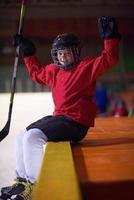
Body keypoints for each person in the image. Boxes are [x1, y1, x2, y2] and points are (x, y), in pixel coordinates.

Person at [0, 16, 120, 200]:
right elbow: (38, 74)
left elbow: (109, 59)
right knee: (21, 135)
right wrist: (29, 53)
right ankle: (22, 182)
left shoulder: (85, 67)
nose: (63, 57)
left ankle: (36, 184)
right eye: (59, 54)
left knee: (32, 137)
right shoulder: (54, 71)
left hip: (76, 122)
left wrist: (110, 37)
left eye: (67, 53)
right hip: (60, 118)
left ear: (76, 52)